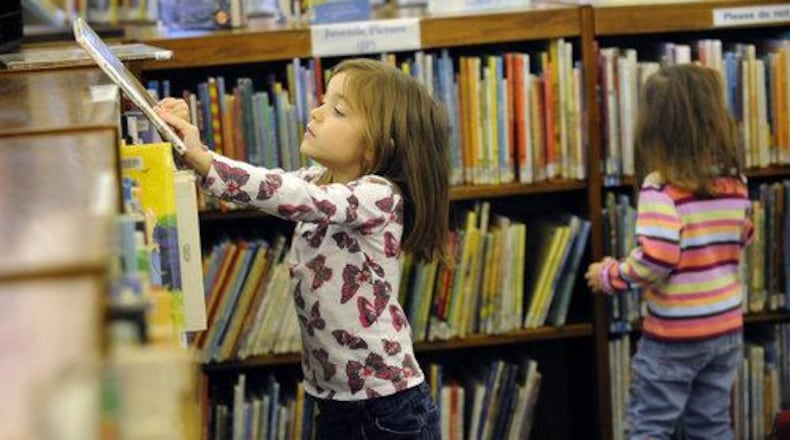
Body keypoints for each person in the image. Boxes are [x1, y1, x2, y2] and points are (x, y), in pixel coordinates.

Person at [155, 58, 446, 439]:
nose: (317, 111)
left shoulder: (379, 196)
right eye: (324, 100)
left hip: (387, 408)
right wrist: (185, 146)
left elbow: (295, 196)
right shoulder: (318, 180)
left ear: (375, 148)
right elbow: (265, 186)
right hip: (335, 400)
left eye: (338, 110)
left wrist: (203, 159)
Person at [584, 64, 753, 440]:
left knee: (650, 426)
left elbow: (658, 258)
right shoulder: (736, 184)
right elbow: (744, 234)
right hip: (725, 327)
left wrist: (611, 275)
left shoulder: (660, 190)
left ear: (654, 131)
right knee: (710, 424)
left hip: (675, 334)